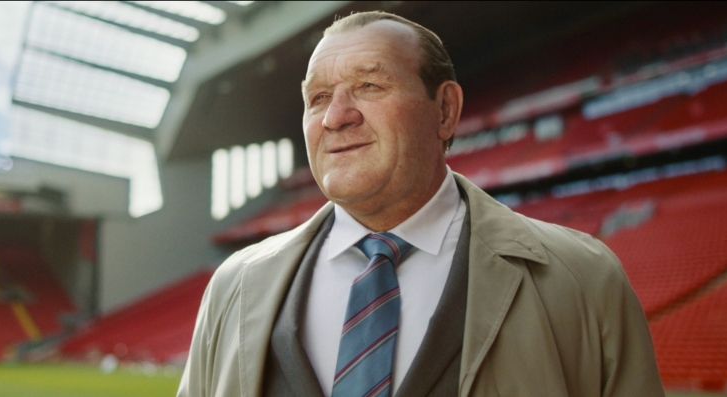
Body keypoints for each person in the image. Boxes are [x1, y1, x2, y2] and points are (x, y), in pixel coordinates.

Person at [179, 11, 664, 397]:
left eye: (369, 86)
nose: (335, 117)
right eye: (318, 97)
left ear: (445, 110)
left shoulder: (582, 279)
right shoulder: (234, 287)